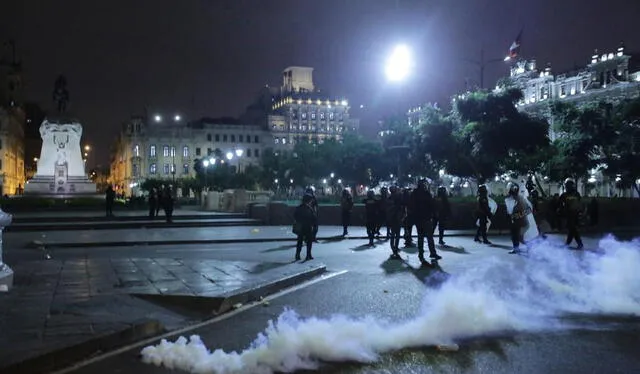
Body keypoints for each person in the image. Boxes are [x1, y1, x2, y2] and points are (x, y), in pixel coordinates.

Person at [411, 179, 441, 264]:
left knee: (421, 237)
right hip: (426, 218)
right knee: (429, 237)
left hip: (418, 219)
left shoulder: (414, 194)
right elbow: (432, 205)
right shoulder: (426, 193)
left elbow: (411, 206)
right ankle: (432, 253)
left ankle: (421, 254)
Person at [505, 182, 533, 254]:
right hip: (515, 222)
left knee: (519, 238)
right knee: (514, 237)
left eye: (509, 189)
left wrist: (517, 216)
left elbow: (528, 210)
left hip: (521, 222)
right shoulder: (510, 199)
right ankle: (516, 249)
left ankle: (530, 246)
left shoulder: (520, 198)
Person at [559, 178, 584, 249]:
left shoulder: (576, 194)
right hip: (569, 215)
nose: (567, 187)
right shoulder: (564, 195)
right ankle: (569, 243)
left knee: (573, 229)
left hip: (575, 214)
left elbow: (580, 204)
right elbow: (560, 204)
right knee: (572, 229)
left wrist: (581, 212)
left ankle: (578, 243)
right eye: (566, 185)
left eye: (568, 185)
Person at [293, 194, 317, 261]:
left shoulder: (299, 208)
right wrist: (314, 225)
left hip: (300, 226)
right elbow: (313, 218)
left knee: (299, 241)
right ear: (308, 200)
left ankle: (297, 255)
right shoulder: (309, 208)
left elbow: (295, 216)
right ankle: (308, 255)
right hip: (307, 227)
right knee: (309, 241)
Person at [387, 185, 406, 259]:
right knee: (397, 234)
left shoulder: (390, 198)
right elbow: (402, 207)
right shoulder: (398, 198)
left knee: (393, 234)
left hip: (393, 218)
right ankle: (395, 247)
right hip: (396, 218)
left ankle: (393, 247)